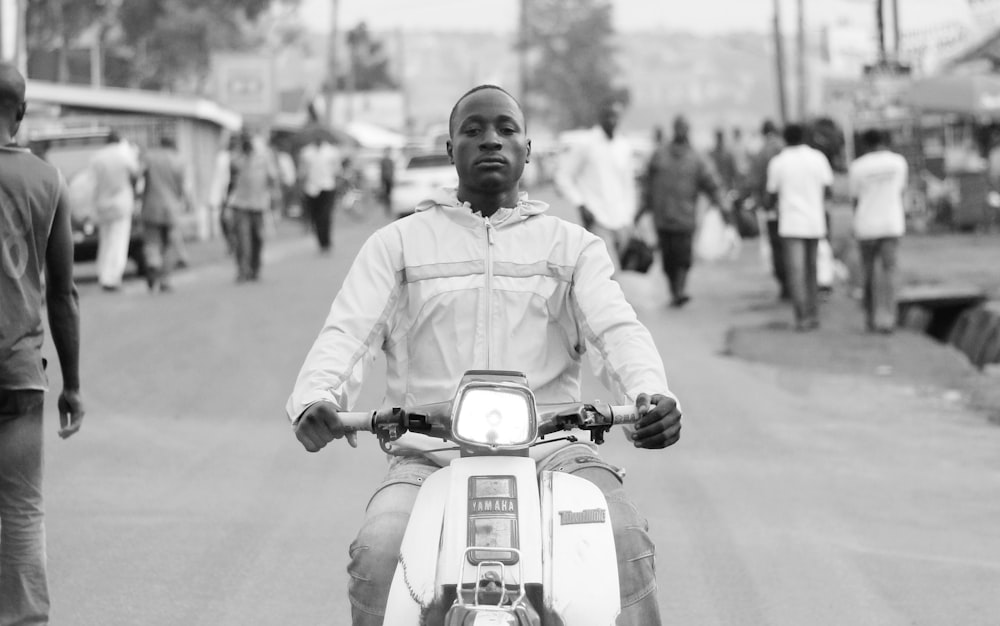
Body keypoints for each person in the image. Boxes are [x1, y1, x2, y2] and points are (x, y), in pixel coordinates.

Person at [286, 84, 682, 626]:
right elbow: (346, 332)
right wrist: (316, 398)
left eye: (506, 129)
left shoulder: (573, 246)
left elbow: (617, 329)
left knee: (624, 541)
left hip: (555, 451)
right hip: (429, 454)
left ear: (527, 149)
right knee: (378, 553)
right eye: (472, 130)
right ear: (450, 150)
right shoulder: (397, 244)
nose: (490, 140)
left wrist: (649, 395)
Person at [0, 61, 85, 626]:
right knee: (22, 511)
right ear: (22, 113)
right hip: (20, 373)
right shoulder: (47, 180)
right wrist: (72, 385)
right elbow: (63, 293)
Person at [639, 115, 727, 307]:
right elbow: (646, 183)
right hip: (662, 216)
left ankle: (680, 290)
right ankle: (674, 289)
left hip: (685, 216)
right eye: (679, 127)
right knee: (668, 257)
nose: (681, 131)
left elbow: (712, 183)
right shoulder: (659, 155)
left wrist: (722, 204)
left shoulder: (696, 157)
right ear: (674, 129)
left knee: (683, 256)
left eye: (684, 128)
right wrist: (641, 208)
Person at [554, 96, 637, 273]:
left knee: (620, 271)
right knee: (608, 271)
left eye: (615, 116)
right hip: (597, 218)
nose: (612, 121)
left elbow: (628, 184)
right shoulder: (586, 144)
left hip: (621, 220)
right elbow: (563, 176)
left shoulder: (623, 146)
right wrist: (580, 204)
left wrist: (630, 216)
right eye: (608, 116)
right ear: (600, 117)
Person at [765, 123, 834, 331]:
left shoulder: (778, 162)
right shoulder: (818, 158)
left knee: (796, 272)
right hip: (814, 222)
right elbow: (828, 189)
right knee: (811, 270)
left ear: (785, 138)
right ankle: (813, 314)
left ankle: (802, 317)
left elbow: (770, 195)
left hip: (791, 223)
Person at [848, 129, 909, 333]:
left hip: (866, 226)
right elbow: (901, 192)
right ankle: (889, 319)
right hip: (891, 224)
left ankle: (871, 318)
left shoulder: (858, 166)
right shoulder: (898, 162)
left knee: (869, 273)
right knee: (890, 272)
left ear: (865, 144)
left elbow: (855, 200)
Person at [139, 136, 193, 292]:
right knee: (172, 244)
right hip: (171, 208)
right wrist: (187, 203)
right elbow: (184, 186)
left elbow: (137, 176)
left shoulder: (149, 157)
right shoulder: (179, 160)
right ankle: (165, 279)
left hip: (150, 206)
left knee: (152, 241)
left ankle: (153, 264)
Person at [89, 130, 140, 291]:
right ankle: (112, 277)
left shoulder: (97, 157)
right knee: (118, 241)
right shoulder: (124, 155)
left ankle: (103, 273)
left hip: (102, 203)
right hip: (120, 203)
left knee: (105, 241)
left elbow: (91, 183)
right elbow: (136, 173)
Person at [228, 131, 278, 282]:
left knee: (257, 239)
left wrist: (273, 198)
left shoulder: (264, 158)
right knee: (243, 239)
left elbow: (273, 178)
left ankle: (255, 268)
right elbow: (231, 181)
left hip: (259, 204)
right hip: (240, 204)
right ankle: (243, 270)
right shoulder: (237, 159)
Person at [748, 119, 788, 299]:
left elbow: (755, 180)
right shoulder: (786, 147)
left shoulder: (762, 152)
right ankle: (795, 282)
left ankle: (785, 282)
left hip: (772, 208)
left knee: (778, 247)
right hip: (791, 208)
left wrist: (759, 201)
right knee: (792, 246)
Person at [298, 136, 340, 253]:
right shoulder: (306, 152)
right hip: (311, 188)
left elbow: (337, 170)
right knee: (315, 216)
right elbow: (302, 171)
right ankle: (321, 242)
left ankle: (326, 241)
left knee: (325, 215)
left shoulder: (331, 151)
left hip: (327, 187)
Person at [379, 147, 395, 216]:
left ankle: (390, 209)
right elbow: (382, 171)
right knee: (386, 195)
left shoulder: (390, 160)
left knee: (390, 195)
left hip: (389, 179)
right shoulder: (384, 161)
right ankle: (387, 210)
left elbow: (393, 171)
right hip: (386, 179)